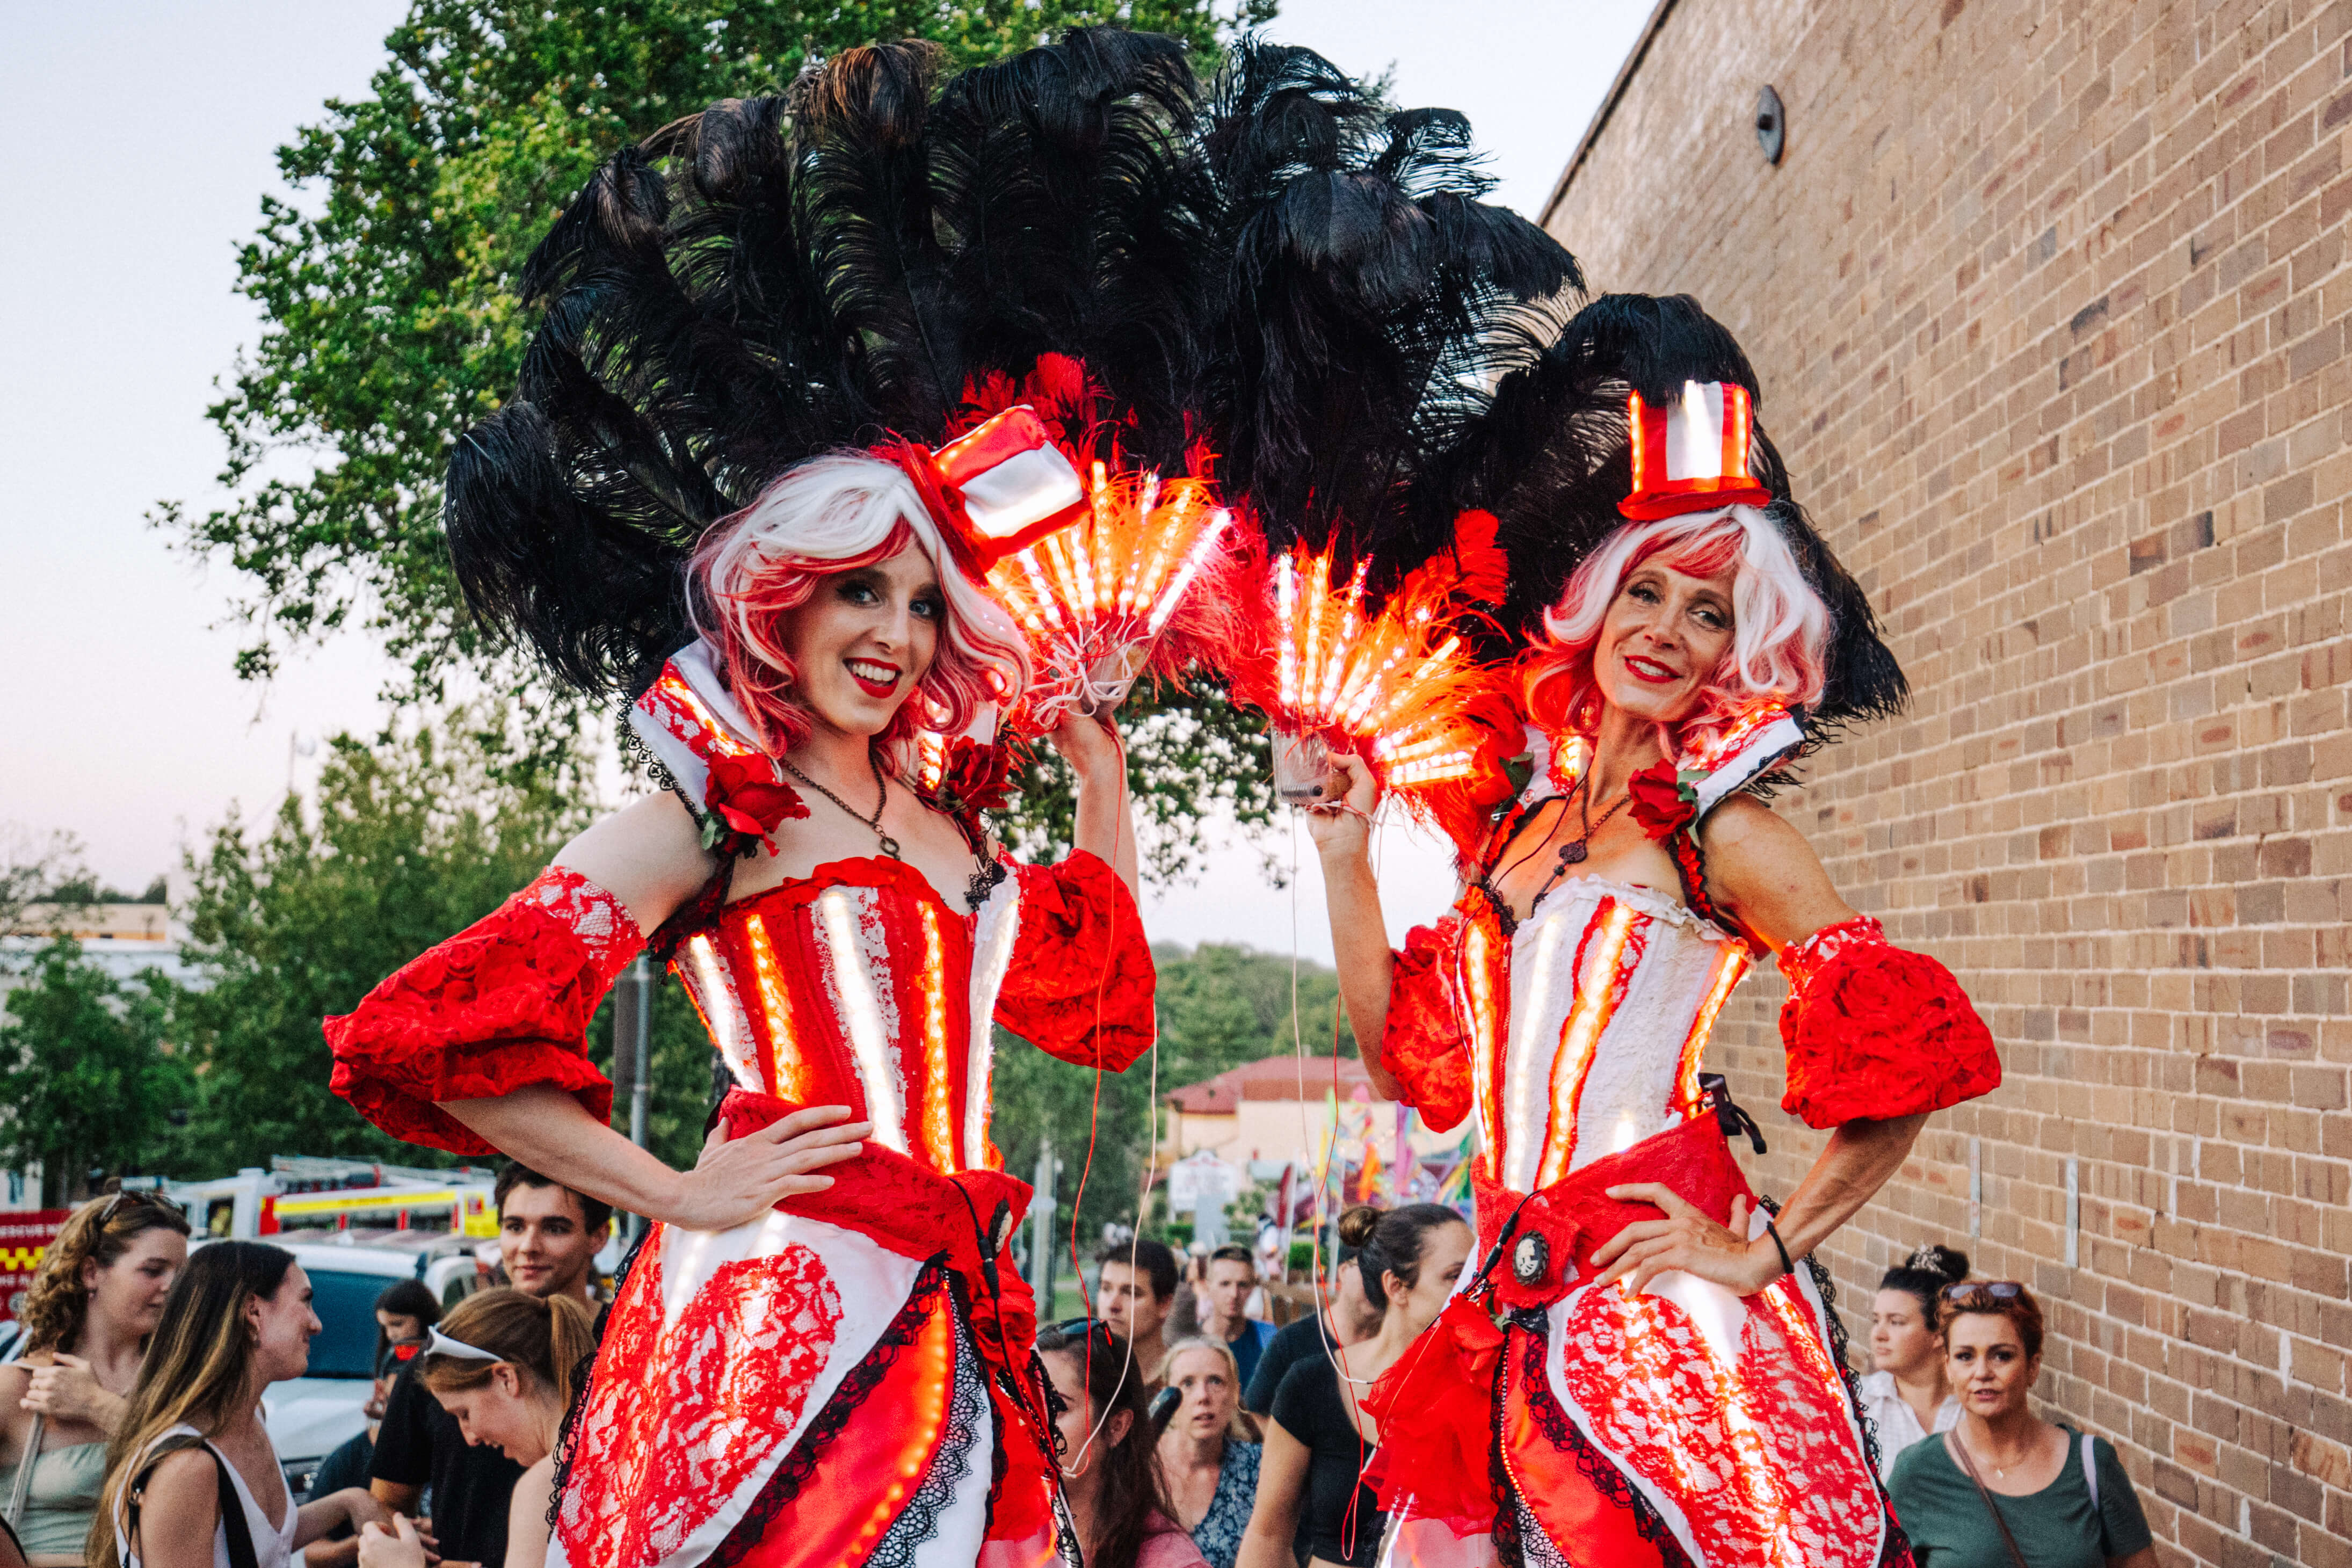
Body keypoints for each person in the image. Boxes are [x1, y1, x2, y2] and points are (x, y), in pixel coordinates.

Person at [1310, 295, 2006, 1568]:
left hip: (1657, 1300)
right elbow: (1409, 1071)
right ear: (1595, 603)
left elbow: (1909, 1069)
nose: (1668, 632)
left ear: (1738, 652)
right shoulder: (1514, 832)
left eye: (1707, 612)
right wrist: (1342, 854)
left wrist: (1758, 1252)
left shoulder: (1722, 837)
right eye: (1649, 591)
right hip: (1507, 1295)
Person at [92, 1242, 386, 1568]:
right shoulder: (187, 1468)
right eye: (305, 1301)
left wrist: (349, 1502)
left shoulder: (252, 1416)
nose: (316, 1324)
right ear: (253, 1312)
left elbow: (262, 1541)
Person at [1235, 1206, 1469, 1568]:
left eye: (1478, 1272)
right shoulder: (1312, 1383)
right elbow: (1268, 1535)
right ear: (1397, 1287)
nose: (1474, 1288)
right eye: (1455, 1276)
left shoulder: (1489, 1391)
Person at [1888, 1284, 2157, 1568]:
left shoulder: (2092, 1464)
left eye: (2002, 1355)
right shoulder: (1918, 1472)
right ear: (1948, 1369)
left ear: (2033, 1367)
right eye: (1965, 1356)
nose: (1982, 1373)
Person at [0, 1191, 191, 1568]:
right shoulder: (17, 1386)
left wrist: (97, 1405)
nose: (172, 1287)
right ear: (90, 1273)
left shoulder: (182, 1382)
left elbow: (212, 1474)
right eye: (153, 1271)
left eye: (181, 1275)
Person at [354, 1289, 595, 1568]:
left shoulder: (543, 1487)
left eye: (465, 1414)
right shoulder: (621, 1447)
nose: (470, 1437)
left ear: (506, 1378)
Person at [1035, 1325, 1204, 1568]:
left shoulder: (1171, 1562)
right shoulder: (996, 1537)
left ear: (1117, 1426)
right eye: (1027, 1403)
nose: (1033, 1424)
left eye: (1057, 1407)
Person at [306, 1283, 443, 1568]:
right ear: (379, 1391)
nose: (392, 1334)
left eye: (398, 1324)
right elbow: (309, 1553)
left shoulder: (467, 1449)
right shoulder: (350, 1458)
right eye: (399, 1402)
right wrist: (369, 1539)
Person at [1242, 1225, 1380, 1418]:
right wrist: (1286, 1446)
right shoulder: (1292, 1343)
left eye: (1389, 1274)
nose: (1378, 1283)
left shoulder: (1399, 1348)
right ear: (1343, 1271)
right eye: (1369, 1270)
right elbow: (1256, 1409)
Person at [1150, 1340, 1259, 1568]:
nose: (1203, 1396)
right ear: (1165, 1394)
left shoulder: (1257, 1467)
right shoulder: (1140, 1463)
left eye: (1216, 1381)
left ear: (1236, 1393)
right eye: (1187, 1383)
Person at [1863, 1245, 1969, 1462]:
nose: (1878, 1334)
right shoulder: (1858, 1404)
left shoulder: (1974, 1405)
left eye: (1896, 1322)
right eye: (1876, 1321)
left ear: (1939, 1332)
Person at [485, 1168, 607, 1304]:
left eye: (554, 1229)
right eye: (515, 1227)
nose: (528, 1247)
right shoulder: (474, 1325)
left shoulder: (625, 1325)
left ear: (598, 1238)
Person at [1098, 1240, 1182, 1390]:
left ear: (1164, 1304)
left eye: (1130, 1293)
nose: (1112, 1305)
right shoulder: (1083, 1376)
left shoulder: (1182, 1381)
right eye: (1106, 1289)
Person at [1190, 1250, 1274, 1392]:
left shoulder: (1270, 1339)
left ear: (1252, 1288)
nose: (1234, 1294)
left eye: (1242, 1285)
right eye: (1225, 1284)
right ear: (1208, 1286)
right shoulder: (1188, 1342)